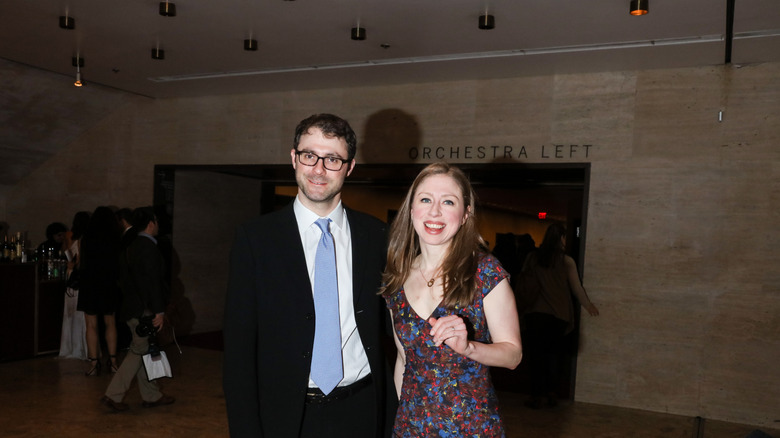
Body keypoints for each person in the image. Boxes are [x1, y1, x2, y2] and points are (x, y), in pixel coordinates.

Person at [223, 113, 396, 438]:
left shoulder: (376, 236)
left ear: (350, 167)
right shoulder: (256, 239)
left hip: (362, 408)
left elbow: (396, 319)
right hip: (286, 412)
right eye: (309, 155)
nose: (318, 169)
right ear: (294, 158)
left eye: (332, 159)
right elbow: (239, 349)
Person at [380, 162, 523, 437]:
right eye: (425, 199)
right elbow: (403, 359)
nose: (434, 211)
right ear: (411, 210)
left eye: (448, 201)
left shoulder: (484, 272)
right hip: (411, 428)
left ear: (465, 214)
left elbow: (513, 355)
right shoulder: (395, 280)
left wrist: (469, 347)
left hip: (471, 428)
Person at [101, 206, 174, 412]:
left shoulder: (130, 247)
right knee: (139, 349)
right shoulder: (148, 247)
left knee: (144, 349)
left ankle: (151, 395)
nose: (159, 225)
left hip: (131, 307)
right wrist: (159, 312)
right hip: (145, 309)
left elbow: (124, 280)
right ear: (151, 223)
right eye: (157, 221)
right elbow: (153, 283)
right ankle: (112, 395)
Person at [518, 222, 599, 409]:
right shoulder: (566, 261)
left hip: (535, 314)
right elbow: (576, 287)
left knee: (536, 357)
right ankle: (551, 393)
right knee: (553, 356)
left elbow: (524, 281)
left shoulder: (533, 257)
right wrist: (588, 305)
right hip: (558, 315)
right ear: (561, 238)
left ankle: (536, 395)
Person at [78, 206, 121, 376]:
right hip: (108, 283)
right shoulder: (115, 238)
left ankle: (94, 363)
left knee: (91, 324)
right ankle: (113, 361)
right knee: (110, 322)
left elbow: (82, 264)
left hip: (89, 283)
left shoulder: (86, 238)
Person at [58, 211, 90, 360]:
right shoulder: (85, 238)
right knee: (80, 313)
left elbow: (65, 253)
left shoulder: (68, 235)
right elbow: (81, 260)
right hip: (79, 274)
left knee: (69, 312)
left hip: (69, 272)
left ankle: (68, 346)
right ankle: (81, 347)